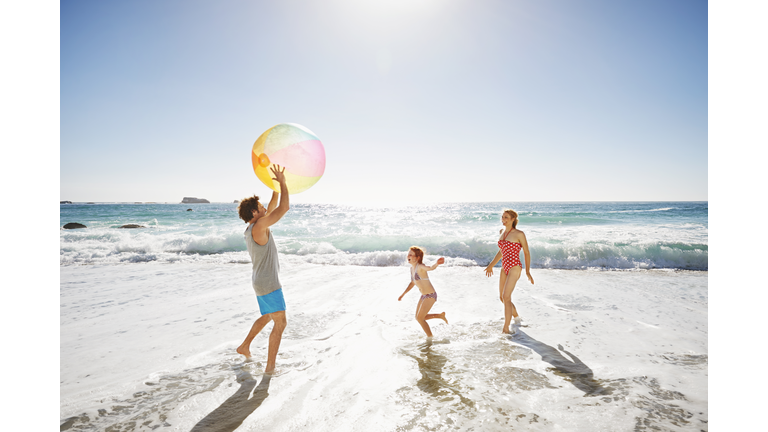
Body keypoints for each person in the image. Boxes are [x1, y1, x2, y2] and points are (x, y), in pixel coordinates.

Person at [235, 165, 289, 374]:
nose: (266, 209)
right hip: (268, 283)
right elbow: (283, 209)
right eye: (262, 208)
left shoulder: (251, 228)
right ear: (255, 213)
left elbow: (274, 207)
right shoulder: (259, 227)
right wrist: (283, 183)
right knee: (281, 322)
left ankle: (244, 346)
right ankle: (270, 369)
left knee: (268, 316)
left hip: (259, 281)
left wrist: (275, 188)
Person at [484, 209, 534, 334]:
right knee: (502, 297)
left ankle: (506, 328)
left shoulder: (519, 234)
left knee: (507, 297)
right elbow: (501, 251)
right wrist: (491, 265)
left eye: (506, 217)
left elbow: (526, 252)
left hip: (515, 266)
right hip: (504, 267)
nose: (503, 220)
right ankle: (516, 317)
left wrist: (527, 271)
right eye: (502, 217)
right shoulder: (502, 232)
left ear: (513, 219)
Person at [398, 246, 448, 337]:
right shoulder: (411, 269)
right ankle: (440, 316)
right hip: (423, 296)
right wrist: (403, 294)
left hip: (431, 295)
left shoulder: (420, 267)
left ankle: (430, 338)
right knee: (418, 317)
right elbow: (412, 283)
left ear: (417, 258)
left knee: (420, 318)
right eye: (408, 254)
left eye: (411, 255)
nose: (408, 256)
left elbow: (430, 268)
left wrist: (436, 264)